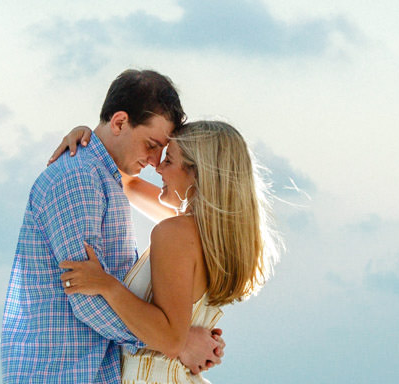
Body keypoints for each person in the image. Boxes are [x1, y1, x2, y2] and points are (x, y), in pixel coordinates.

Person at [2, 69, 225, 384]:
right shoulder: (79, 179)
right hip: (64, 373)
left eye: (164, 152)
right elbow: (86, 297)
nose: (154, 161)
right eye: (151, 144)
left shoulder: (105, 180)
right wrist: (177, 341)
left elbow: (109, 284)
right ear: (120, 122)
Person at [52, 118, 279, 384]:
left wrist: (107, 285)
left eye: (168, 161)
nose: (157, 167)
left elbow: (171, 340)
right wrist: (89, 140)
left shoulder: (175, 233)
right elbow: (129, 185)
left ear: (197, 173)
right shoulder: (214, 236)